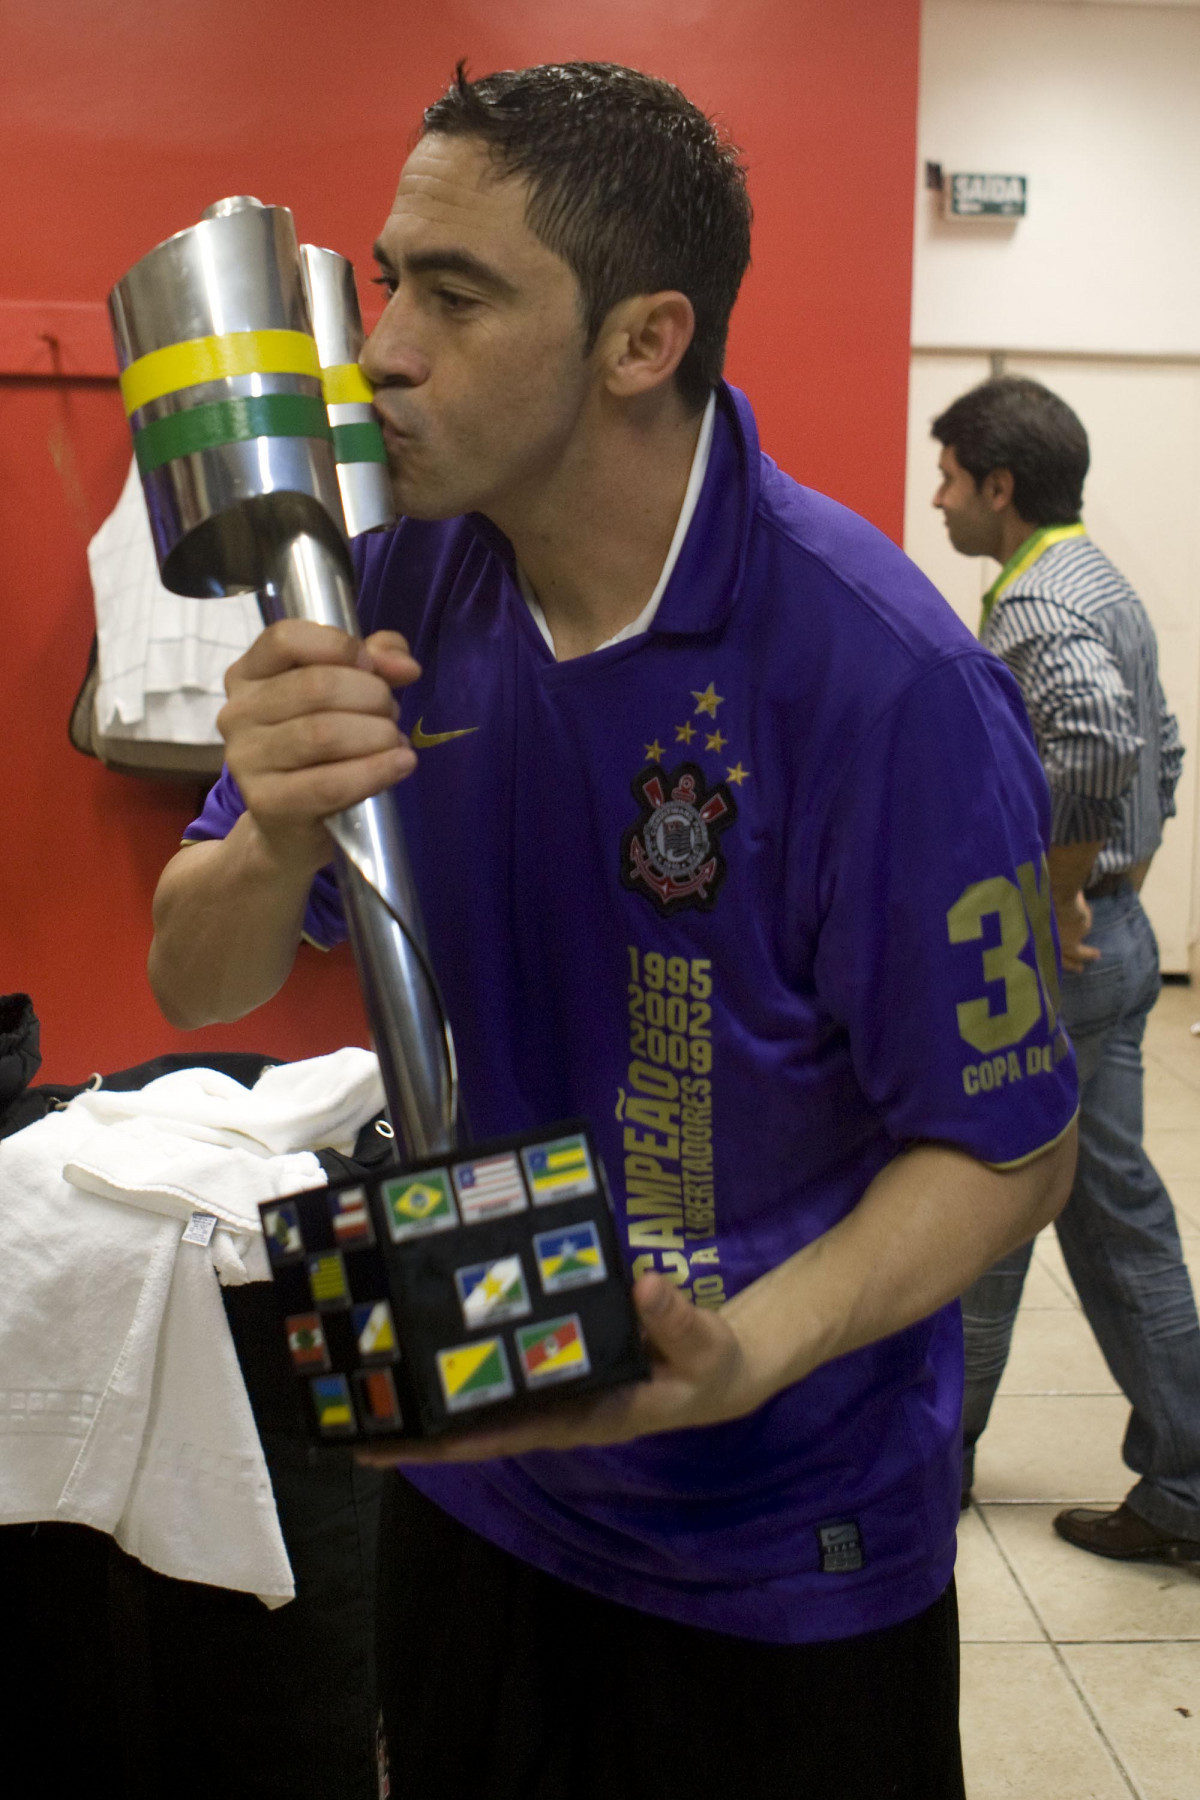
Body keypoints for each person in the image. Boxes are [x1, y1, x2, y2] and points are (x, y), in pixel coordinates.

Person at [149, 64, 1078, 1800]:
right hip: (466, 1482)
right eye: (382, 279)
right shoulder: (396, 584)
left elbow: (1011, 1147)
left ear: (643, 341)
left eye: (455, 291)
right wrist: (272, 824)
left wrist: (746, 1359)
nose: (382, 349)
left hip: (777, 1551)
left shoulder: (881, 684)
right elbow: (195, 973)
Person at [932, 375, 1200, 1566]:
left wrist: (1056, 891)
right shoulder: (1102, 580)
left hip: (1069, 958)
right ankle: (1188, 1483)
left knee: (992, 1208)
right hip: (1123, 943)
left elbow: (1096, 737)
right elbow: (1163, 739)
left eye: (949, 477)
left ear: (1000, 486)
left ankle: (933, 1463)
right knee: (1111, 1218)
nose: (937, 499)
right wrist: (1123, 871)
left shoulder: (1037, 604)